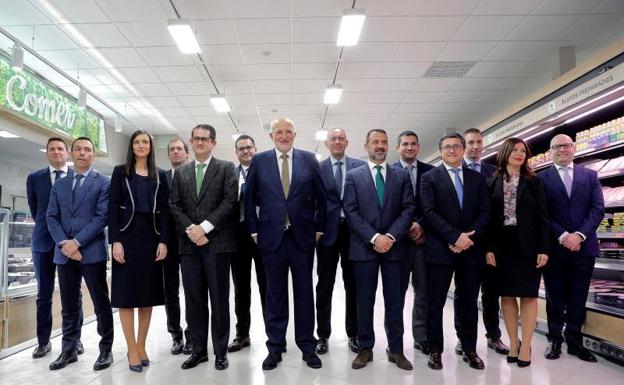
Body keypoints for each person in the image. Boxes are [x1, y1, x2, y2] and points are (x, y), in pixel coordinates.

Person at [244, 117, 326, 370]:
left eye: (288, 131)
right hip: (271, 238)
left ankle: (307, 346)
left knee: (304, 294)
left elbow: (321, 197)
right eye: (278, 131)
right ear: (271, 136)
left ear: (295, 134)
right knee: (275, 295)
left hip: (302, 237)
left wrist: (319, 228)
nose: (283, 135)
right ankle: (275, 347)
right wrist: (254, 231)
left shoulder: (309, 159)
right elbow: (248, 199)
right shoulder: (259, 161)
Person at [344, 129, 415, 371]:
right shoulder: (353, 176)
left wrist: (391, 236)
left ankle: (396, 350)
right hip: (364, 249)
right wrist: (374, 238)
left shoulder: (401, 175)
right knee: (364, 301)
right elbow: (351, 212)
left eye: (384, 142)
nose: (380, 145)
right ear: (366, 146)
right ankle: (365, 348)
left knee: (395, 301)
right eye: (375, 142)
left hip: (395, 249)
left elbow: (408, 209)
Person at [169, 124, 238, 370]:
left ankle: (220, 352)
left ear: (213, 143)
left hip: (217, 245)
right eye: (195, 138)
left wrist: (205, 228)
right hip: (189, 247)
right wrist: (192, 230)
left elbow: (230, 201)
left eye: (204, 139)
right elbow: (174, 205)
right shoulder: (182, 172)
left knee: (219, 300)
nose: (199, 142)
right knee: (194, 301)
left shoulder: (226, 168)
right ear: (191, 141)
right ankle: (198, 350)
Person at [421, 133, 490, 371]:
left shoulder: (477, 179)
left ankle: (469, 348)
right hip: (440, 249)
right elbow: (429, 213)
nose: (452, 150)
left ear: (463, 150)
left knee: (469, 301)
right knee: (435, 302)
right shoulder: (429, 178)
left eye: (456, 146)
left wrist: (467, 238)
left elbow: (485, 212)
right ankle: (435, 350)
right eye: (447, 147)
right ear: (440, 151)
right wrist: (454, 237)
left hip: (471, 249)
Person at [46, 137, 113, 371]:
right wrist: (65, 244)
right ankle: (69, 349)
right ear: (70, 154)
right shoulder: (60, 184)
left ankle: (106, 350)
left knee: (100, 302)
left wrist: (76, 242)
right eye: (78, 149)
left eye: (87, 150)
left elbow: (102, 217)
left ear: (93, 155)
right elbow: (51, 217)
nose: (82, 153)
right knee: (69, 304)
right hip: (64, 254)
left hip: (91, 252)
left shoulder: (103, 183)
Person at [538, 134, 605, 362]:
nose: (562, 150)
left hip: (584, 248)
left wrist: (579, 235)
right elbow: (542, 213)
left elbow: (597, 209)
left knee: (578, 296)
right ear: (550, 152)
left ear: (573, 148)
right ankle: (554, 340)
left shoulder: (590, 176)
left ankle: (575, 341)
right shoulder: (541, 178)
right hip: (555, 248)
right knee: (554, 296)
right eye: (556, 147)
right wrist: (563, 235)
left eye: (566, 145)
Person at [108, 130, 170, 372]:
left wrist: (164, 241)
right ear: (131, 146)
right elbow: (112, 207)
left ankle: (142, 344)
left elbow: (164, 211)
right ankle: (131, 347)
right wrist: (115, 240)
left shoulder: (160, 175)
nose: (141, 145)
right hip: (127, 236)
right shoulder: (120, 172)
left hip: (152, 238)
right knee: (126, 296)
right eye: (137, 142)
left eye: (145, 142)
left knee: (147, 296)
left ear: (151, 146)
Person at [485, 138, 549, 368]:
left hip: (529, 247)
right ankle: (514, 342)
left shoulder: (535, 182)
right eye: (515, 150)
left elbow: (543, 218)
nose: (520, 154)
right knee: (507, 295)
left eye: (524, 151)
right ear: (505, 152)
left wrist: (543, 248)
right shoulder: (491, 182)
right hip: (501, 246)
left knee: (529, 296)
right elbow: (488, 220)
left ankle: (527, 345)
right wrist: (488, 248)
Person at [26, 138, 84, 359]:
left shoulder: (76, 176)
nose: (57, 152)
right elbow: (35, 210)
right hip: (43, 244)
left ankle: (74, 340)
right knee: (44, 294)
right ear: (47, 153)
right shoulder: (35, 178)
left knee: (73, 294)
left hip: (70, 244)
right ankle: (43, 342)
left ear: (67, 153)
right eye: (52, 149)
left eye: (61, 149)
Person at [454, 128, 509, 357]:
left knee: (491, 292)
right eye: (470, 143)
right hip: (464, 243)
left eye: (478, 142)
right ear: (463, 146)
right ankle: (463, 338)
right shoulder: (456, 170)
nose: (475, 146)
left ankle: (493, 335)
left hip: (491, 242)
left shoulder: (493, 171)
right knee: (465, 293)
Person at [315, 128, 365, 355]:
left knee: (352, 285)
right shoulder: (317, 168)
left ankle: (353, 334)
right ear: (327, 143)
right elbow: (311, 200)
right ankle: (323, 335)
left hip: (354, 234)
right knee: (324, 286)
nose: (337, 141)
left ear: (347, 142)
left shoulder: (360, 167)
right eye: (333, 138)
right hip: (326, 235)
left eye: (340, 138)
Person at [393, 130, 434, 355]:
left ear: (418, 147)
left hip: (423, 242)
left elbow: (436, 205)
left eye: (413, 144)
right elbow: (386, 208)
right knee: (395, 294)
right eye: (405, 144)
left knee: (423, 292)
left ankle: (421, 336)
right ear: (398, 147)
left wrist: (420, 224)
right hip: (397, 243)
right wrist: (406, 226)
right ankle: (394, 338)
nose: (409, 148)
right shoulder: (388, 172)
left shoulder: (432, 172)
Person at [227, 134, 267, 353]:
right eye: (241, 148)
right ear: (236, 152)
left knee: (266, 286)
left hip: (261, 234)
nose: (245, 151)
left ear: (255, 149)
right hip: (238, 236)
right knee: (241, 288)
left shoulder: (265, 173)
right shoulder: (229, 175)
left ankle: (273, 334)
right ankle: (242, 334)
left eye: (249, 147)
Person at [164, 136, 192, 355]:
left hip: (192, 240)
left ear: (187, 153)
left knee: (193, 290)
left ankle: (193, 335)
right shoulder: (161, 178)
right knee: (170, 292)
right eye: (171, 149)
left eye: (179, 149)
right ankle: (176, 335)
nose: (175, 152)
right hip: (167, 244)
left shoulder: (195, 175)